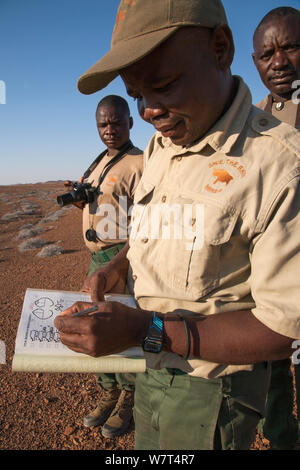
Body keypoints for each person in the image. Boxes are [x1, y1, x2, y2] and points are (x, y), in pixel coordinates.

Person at [55, 0, 300, 450]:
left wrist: (142, 330)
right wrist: (119, 266)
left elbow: (285, 329)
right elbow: (160, 223)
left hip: (210, 388)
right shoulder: (160, 147)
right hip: (148, 365)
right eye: (137, 95)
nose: (148, 110)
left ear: (221, 49)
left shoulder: (280, 165)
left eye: (164, 86)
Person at [65, 95, 143, 438]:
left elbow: (145, 225)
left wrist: (119, 264)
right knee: (93, 322)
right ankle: (108, 391)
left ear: (129, 122)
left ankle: (129, 397)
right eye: (102, 124)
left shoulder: (140, 163)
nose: (109, 130)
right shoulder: (99, 162)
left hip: (121, 260)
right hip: (96, 258)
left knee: (119, 328)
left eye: (115, 122)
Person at [252, 6, 300, 450]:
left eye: (291, 47)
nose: (279, 61)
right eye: (268, 53)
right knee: (273, 382)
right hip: (273, 288)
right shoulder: (253, 125)